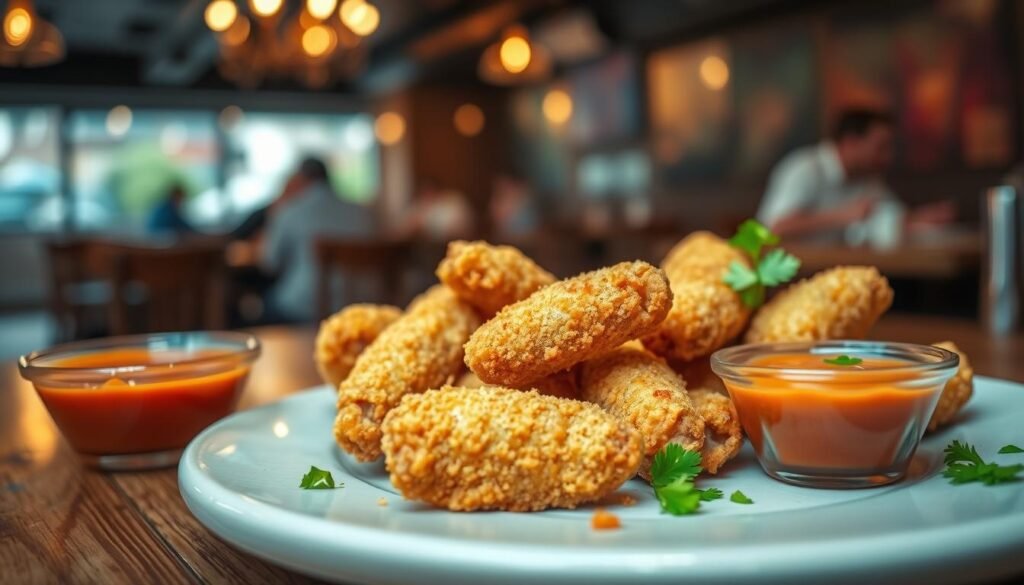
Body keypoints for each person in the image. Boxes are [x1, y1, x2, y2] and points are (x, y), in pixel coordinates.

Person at [757, 108, 953, 242]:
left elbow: (888, 216)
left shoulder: (867, 177)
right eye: (881, 147)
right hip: (793, 281)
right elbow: (775, 229)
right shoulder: (804, 169)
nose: (888, 156)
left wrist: (923, 218)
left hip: (842, 273)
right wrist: (844, 215)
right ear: (851, 142)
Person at [261, 157, 375, 322]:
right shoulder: (363, 212)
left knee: (266, 305)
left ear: (300, 179)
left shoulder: (289, 211)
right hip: (360, 308)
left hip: (303, 309)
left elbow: (269, 262)